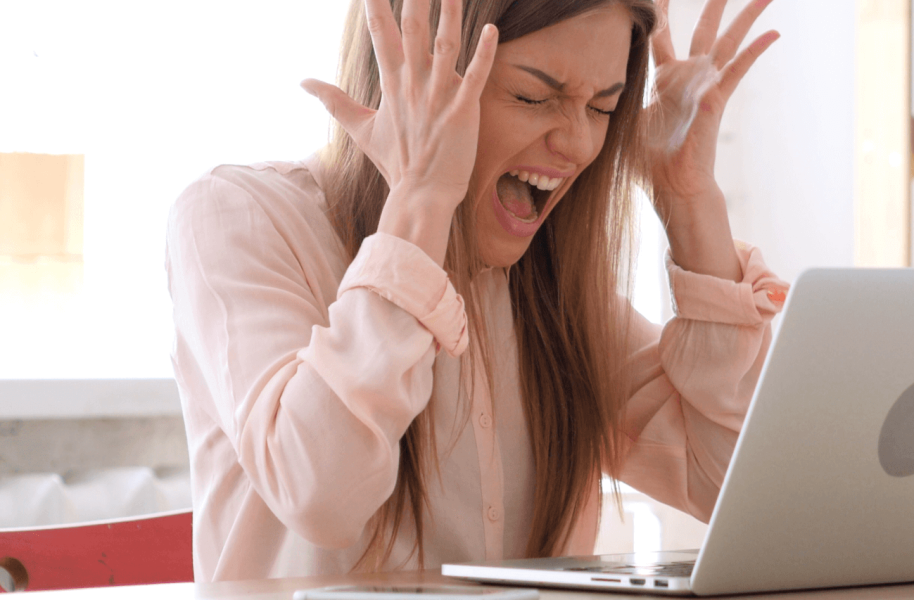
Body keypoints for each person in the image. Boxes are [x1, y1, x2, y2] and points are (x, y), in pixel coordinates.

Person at [165, 0, 788, 582]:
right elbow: (320, 493)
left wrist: (689, 201)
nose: (576, 143)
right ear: (415, 79)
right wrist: (422, 201)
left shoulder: (556, 296)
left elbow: (743, 490)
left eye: (602, 108)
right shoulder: (237, 218)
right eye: (533, 96)